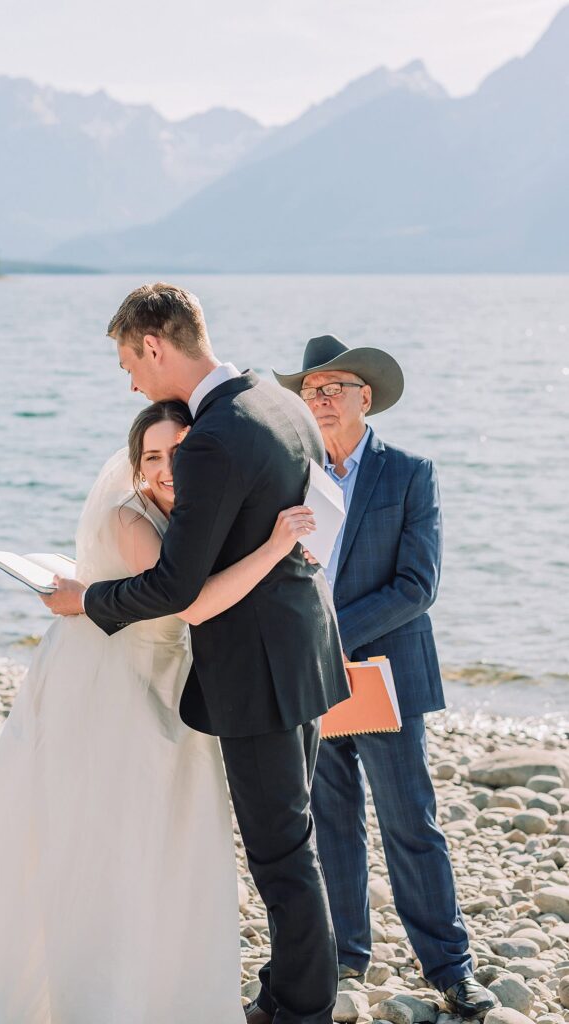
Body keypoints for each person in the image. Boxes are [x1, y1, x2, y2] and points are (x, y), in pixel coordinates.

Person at [0, 399, 318, 1024]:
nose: (167, 469)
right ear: (137, 468)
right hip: (116, 679)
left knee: (173, 835)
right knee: (114, 833)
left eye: (180, 453)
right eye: (152, 457)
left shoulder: (200, 511)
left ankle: (162, 978)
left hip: (174, 681)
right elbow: (190, 605)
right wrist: (277, 547)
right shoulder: (133, 519)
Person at [46, 283, 350, 1024]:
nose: (130, 380)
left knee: (281, 851)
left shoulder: (213, 437)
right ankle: (288, 988)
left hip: (259, 673)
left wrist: (85, 600)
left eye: (128, 362)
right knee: (295, 833)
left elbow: (175, 585)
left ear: (155, 345)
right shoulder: (277, 399)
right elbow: (317, 509)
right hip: (307, 648)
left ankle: (302, 1009)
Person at [274, 335, 497, 1020]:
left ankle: (451, 967)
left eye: (333, 388)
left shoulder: (409, 473)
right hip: (317, 679)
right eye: (310, 391)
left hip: (387, 677)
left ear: (365, 398)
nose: (320, 401)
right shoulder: (292, 477)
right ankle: (345, 958)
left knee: (411, 823)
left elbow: (417, 586)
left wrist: (328, 628)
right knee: (332, 823)